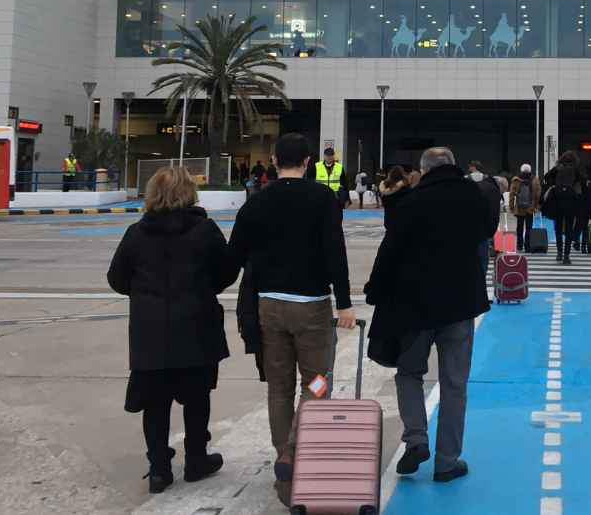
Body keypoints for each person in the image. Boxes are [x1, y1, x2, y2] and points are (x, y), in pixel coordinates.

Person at [226, 133, 355, 506]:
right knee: (316, 383)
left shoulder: (257, 202)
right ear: (309, 161)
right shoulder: (322, 199)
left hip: (269, 307)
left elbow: (233, 258)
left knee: (278, 388)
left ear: (274, 159)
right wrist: (344, 302)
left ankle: (285, 468)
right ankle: (297, 451)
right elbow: (336, 252)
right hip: (312, 308)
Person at [364, 148, 492, 483]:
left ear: (423, 170)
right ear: (453, 165)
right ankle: (448, 461)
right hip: (461, 303)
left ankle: (416, 439)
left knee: (409, 373)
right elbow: (486, 232)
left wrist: (375, 291)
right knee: (454, 383)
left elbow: (390, 250)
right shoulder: (474, 197)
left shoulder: (411, 203)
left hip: (414, 307)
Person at [107, 166, 235, 494]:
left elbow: (116, 279)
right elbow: (227, 271)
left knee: (155, 402)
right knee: (197, 398)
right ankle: (196, 459)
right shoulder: (205, 230)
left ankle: (159, 468)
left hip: (151, 334)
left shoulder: (137, 233)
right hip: (196, 327)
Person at [544, 151, 584, 264]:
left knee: (558, 228)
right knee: (569, 229)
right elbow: (583, 180)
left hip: (557, 201)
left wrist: (555, 184)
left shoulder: (558, 168)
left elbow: (546, 177)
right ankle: (566, 256)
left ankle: (559, 253)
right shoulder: (575, 169)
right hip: (570, 202)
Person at [467, 161, 503, 283]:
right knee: (483, 258)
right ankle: (481, 281)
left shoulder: (463, 182)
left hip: (467, 228)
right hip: (484, 229)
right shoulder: (491, 183)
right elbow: (495, 210)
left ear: (472, 168)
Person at [508, 164, 541, 253]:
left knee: (519, 227)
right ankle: (527, 246)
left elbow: (511, 194)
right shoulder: (535, 180)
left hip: (519, 208)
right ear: (530, 171)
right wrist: (536, 206)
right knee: (529, 227)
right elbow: (538, 195)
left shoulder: (516, 180)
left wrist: (511, 206)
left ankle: (519, 245)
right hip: (530, 208)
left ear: (521, 170)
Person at [378, 165, 412, 231]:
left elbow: (384, 203)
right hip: (404, 221)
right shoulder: (406, 188)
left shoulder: (385, 190)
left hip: (389, 222)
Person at [576, 178, 591, 253]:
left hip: (579, 212)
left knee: (578, 228)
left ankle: (577, 244)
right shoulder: (590, 191)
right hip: (587, 212)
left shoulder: (579, 190)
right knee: (585, 229)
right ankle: (583, 247)